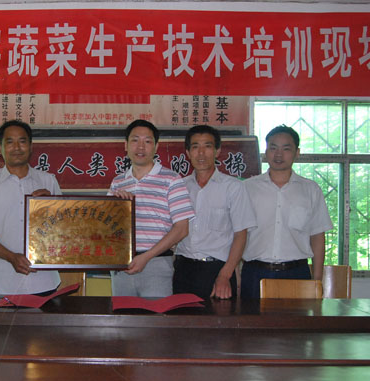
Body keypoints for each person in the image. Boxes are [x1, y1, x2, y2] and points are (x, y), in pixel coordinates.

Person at [0, 120, 61, 295]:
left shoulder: (48, 181)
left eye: (22, 141)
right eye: (10, 142)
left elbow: (65, 227)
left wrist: (51, 206)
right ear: (0, 147)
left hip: (44, 281)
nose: (16, 147)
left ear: (31, 146)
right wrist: (11, 257)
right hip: (2, 282)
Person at [241, 125, 333, 299]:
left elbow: (317, 237)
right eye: (273, 148)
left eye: (286, 149)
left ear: (297, 152)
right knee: (252, 317)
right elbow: (238, 234)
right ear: (265, 152)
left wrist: (317, 280)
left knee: (296, 318)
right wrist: (235, 274)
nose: (278, 154)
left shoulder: (310, 190)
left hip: (297, 273)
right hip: (254, 272)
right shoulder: (247, 188)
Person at [108, 119, 194, 297]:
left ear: (156, 147)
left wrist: (146, 257)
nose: (141, 147)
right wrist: (117, 207)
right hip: (121, 265)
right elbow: (106, 226)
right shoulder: (118, 182)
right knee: (123, 314)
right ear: (126, 145)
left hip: (156, 264)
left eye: (147, 141)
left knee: (156, 315)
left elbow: (182, 229)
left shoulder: (171, 179)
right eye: (135, 140)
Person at [174, 125, 256, 299]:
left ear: (217, 151)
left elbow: (241, 235)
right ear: (188, 153)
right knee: (182, 317)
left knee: (221, 317)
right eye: (195, 147)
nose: (201, 153)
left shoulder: (233, 187)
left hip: (218, 271)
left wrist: (225, 275)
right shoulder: (179, 187)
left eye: (207, 146)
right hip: (183, 270)